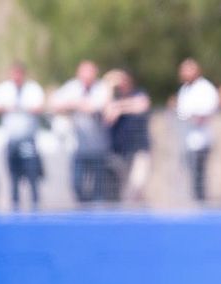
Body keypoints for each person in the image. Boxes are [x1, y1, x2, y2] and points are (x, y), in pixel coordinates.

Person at [0, 62, 45, 211]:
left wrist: (24, 107)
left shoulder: (32, 89)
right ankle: (15, 209)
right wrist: (5, 107)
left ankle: (35, 209)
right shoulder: (4, 89)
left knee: (32, 176)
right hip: (12, 142)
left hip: (27, 141)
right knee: (13, 178)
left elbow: (40, 107)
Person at [51, 60, 110, 203]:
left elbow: (98, 106)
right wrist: (74, 104)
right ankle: (84, 210)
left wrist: (76, 104)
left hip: (98, 146)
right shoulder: (72, 87)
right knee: (77, 184)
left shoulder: (101, 88)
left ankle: (97, 218)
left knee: (98, 187)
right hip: (78, 147)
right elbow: (54, 103)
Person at [103, 69, 151, 203]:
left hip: (139, 149)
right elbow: (107, 117)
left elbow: (142, 105)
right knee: (122, 189)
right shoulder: (114, 98)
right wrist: (108, 88)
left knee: (136, 185)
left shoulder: (139, 93)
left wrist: (119, 107)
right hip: (120, 152)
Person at [176, 58, 219, 203]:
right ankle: (196, 203)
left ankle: (203, 205)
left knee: (199, 176)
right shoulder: (184, 89)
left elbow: (202, 115)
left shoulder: (205, 88)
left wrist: (191, 116)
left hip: (201, 141)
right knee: (192, 177)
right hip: (188, 141)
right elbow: (182, 113)